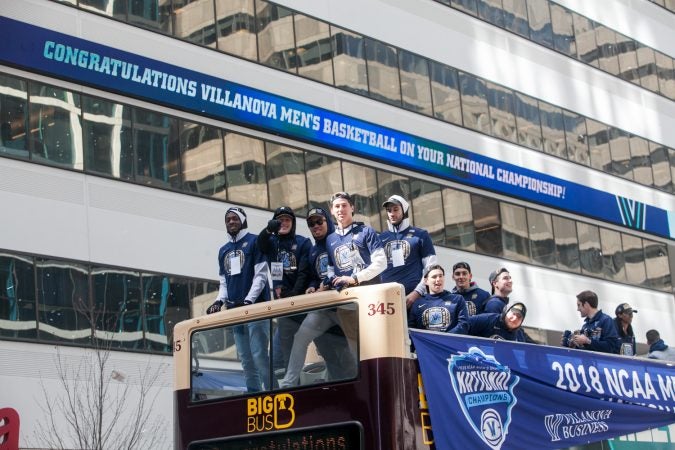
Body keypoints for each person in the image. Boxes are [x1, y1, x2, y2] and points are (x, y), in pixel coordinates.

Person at [206, 206, 270, 392]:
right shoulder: (223, 250)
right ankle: (255, 396)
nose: (231, 222)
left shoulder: (254, 242)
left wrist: (249, 301)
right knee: (245, 359)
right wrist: (219, 301)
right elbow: (224, 281)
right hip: (235, 311)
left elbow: (261, 276)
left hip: (255, 309)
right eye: (228, 219)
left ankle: (274, 393)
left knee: (259, 355)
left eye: (235, 218)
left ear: (243, 220)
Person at [256, 206, 311, 374]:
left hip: (304, 303)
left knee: (319, 343)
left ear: (293, 222)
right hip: (283, 307)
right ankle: (292, 384)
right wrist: (268, 230)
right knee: (285, 351)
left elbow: (304, 272)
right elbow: (260, 243)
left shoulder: (303, 242)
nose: (284, 223)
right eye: (280, 220)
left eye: (287, 220)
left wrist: (294, 294)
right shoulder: (273, 243)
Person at [379, 195, 437, 308]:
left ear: (404, 210)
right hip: (387, 300)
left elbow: (431, 267)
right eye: (389, 210)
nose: (391, 213)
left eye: (396, 209)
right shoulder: (381, 238)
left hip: (414, 299)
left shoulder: (420, 235)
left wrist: (417, 293)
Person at [325, 191, 386, 289]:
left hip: (369, 291)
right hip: (344, 297)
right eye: (337, 206)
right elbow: (330, 268)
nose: (340, 209)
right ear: (332, 210)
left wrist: (355, 278)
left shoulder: (366, 231)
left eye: (344, 205)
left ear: (352, 208)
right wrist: (333, 279)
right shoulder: (329, 239)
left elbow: (381, 263)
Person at [408, 265, 468, 334]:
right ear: (426, 281)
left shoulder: (457, 299)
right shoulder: (417, 303)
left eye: (440, 276)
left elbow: (464, 325)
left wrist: (443, 338)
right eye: (434, 277)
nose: (438, 279)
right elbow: (411, 330)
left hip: (449, 344)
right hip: (426, 344)